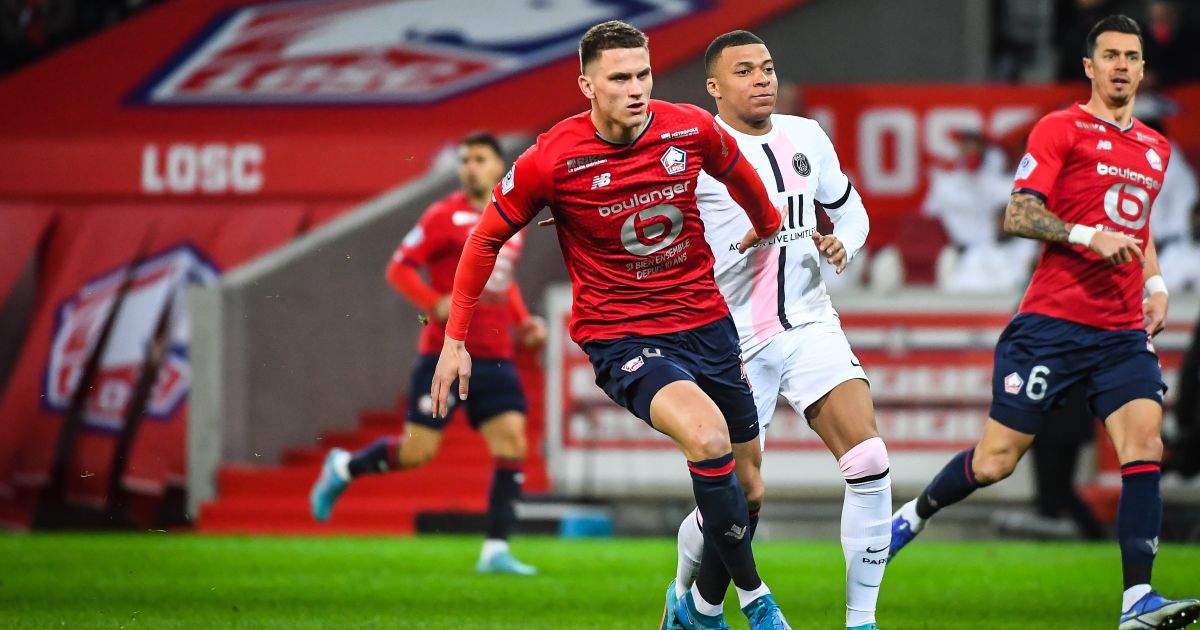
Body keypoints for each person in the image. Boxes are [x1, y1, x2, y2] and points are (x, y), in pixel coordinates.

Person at [431, 20, 792, 630]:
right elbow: (485, 238)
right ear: (587, 86)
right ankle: (757, 601)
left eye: (643, 74)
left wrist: (766, 223)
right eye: (620, 78)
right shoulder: (552, 158)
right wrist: (454, 339)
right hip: (623, 335)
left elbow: (740, 175)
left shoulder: (689, 127)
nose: (636, 89)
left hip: (706, 324)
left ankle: (695, 609)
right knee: (706, 440)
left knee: (749, 487)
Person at [889, 15, 1199, 630]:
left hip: (1120, 332)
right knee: (995, 461)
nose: (1120, 66)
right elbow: (1019, 213)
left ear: (1142, 69)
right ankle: (913, 515)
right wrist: (1086, 235)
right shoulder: (1061, 127)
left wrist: (1156, 285)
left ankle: (1137, 600)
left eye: (1131, 57)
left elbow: (1137, 230)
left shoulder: (1155, 148)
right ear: (1089, 66)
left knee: (1145, 444)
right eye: (1109, 55)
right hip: (1051, 326)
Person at [664, 30, 888, 630]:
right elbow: (664, 247)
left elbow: (851, 211)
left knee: (869, 459)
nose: (762, 78)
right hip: (731, 338)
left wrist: (845, 242)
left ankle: (861, 621)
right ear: (714, 88)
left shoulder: (806, 135)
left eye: (766, 67)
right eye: (744, 71)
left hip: (811, 321)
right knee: (741, 496)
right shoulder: (691, 156)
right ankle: (685, 592)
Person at [309, 132, 548, 576]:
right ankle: (344, 467)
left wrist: (523, 321)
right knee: (418, 452)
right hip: (446, 353)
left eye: (479, 159)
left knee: (512, 442)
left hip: (495, 354)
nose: (470, 167)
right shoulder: (442, 215)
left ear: (499, 167)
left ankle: (495, 550)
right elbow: (399, 267)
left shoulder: (509, 216)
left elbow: (502, 278)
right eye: (465, 160)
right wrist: (432, 302)